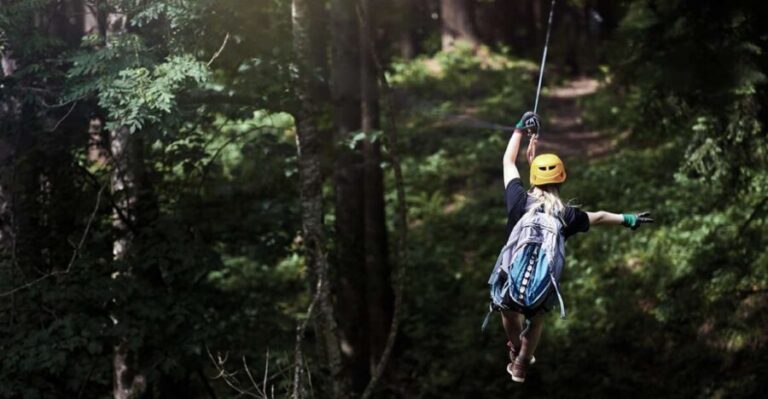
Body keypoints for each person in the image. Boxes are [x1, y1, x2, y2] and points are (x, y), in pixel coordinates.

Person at [500, 111, 653, 383]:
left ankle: (514, 351)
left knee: (508, 310)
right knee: (535, 319)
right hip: (541, 284)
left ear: (533, 179)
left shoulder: (517, 201)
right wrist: (629, 219)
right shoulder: (566, 215)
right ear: (561, 180)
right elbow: (601, 216)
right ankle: (523, 361)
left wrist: (520, 128)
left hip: (512, 280)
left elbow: (508, 161)